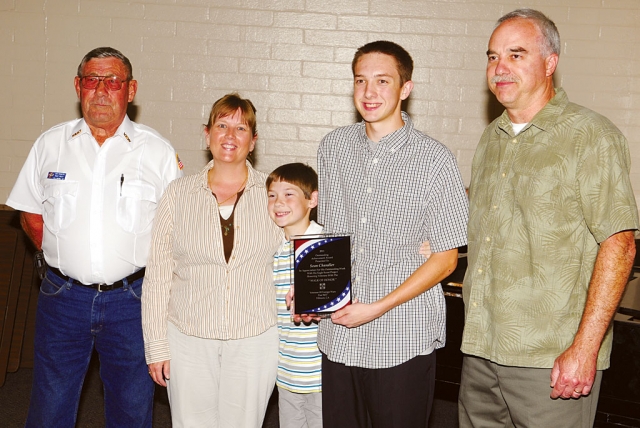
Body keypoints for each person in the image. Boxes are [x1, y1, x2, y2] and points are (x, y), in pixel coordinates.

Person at [459, 9, 639, 428]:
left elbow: (620, 245)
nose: (499, 68)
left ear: (550, 62)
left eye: (516, 54)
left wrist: (585, 348)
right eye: (492, 56)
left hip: (550, 362)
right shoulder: (492, 137)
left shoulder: (590, 135)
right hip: (481, 351)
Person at [5, 47, 183, 427]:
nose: (102, 90)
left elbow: (178, 230)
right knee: (50, 405)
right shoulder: (49, 145)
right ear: (78, 86)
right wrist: (65, 256)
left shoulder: (158, 153)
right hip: (62, 298)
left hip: (133, 302)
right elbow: (31, 213)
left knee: (132, 407)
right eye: (92, 80)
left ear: (130, 91)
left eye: (113, 81)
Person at [316, 40, 469, 427]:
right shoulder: (333, 147)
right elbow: (333, 233)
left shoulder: (435, 159)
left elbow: (446, 259)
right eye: (360, 80)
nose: (369, 92)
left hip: (400, 336)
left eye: (383, 81)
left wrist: (377, 307)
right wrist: (312, 286)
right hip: (340, 334)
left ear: (405, 88)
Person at [142, 93, 283, 427]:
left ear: (253, 141)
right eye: (222, 125)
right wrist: (156, 347)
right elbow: (159, 276)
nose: (230, 136)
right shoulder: (177, 195)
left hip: (256, 338)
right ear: (207, 134)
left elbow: (302, 247)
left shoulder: (275, 194)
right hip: (188, 337)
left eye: (241, 128)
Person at [266, 162, 323, 428]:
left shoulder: (325, 245)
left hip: (321, 376)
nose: (279, 202)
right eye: (272, 195)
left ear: (312, 199)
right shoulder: (274, 248)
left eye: (289, 194)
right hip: (286, 373)